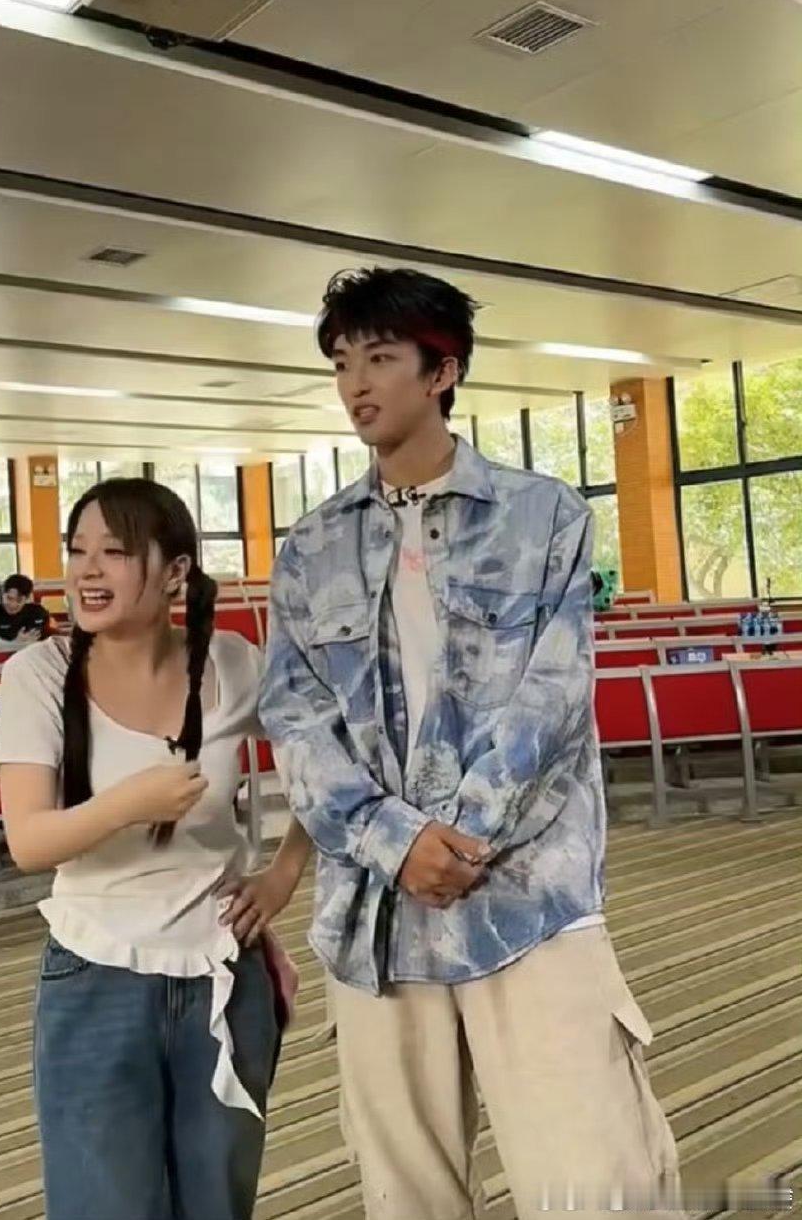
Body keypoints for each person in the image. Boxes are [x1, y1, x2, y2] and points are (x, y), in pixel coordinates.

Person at [260, 267, 681, 1220]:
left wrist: (461, 839)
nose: (356, 384)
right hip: (375, 915)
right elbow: (295, 718)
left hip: (524, 898)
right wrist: (396, 841)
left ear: (442, 371)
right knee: (407, 1194)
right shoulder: (312, 548)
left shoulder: (544, 517)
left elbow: (554, 697)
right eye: (341, 364)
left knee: (593, 1180)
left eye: (379, 358)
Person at [0, 478, 311, 1220]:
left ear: (176, 571)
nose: (87, 570)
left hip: (223, 971)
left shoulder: (232, 661)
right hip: (96, 975)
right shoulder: (37, 674)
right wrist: (129, 804)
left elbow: (326, 774)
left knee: (217, 1200)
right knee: (105, 1204)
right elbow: (29, 840)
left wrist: (282, 876)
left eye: (115, 551)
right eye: (77, 551)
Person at [0, 573, 51, 645]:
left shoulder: (38, 612)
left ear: (27, 599)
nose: (13, 605)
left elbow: (50, 639)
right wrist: (15, 643)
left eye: (19, 600)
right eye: (9, 598)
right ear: (2, 594)